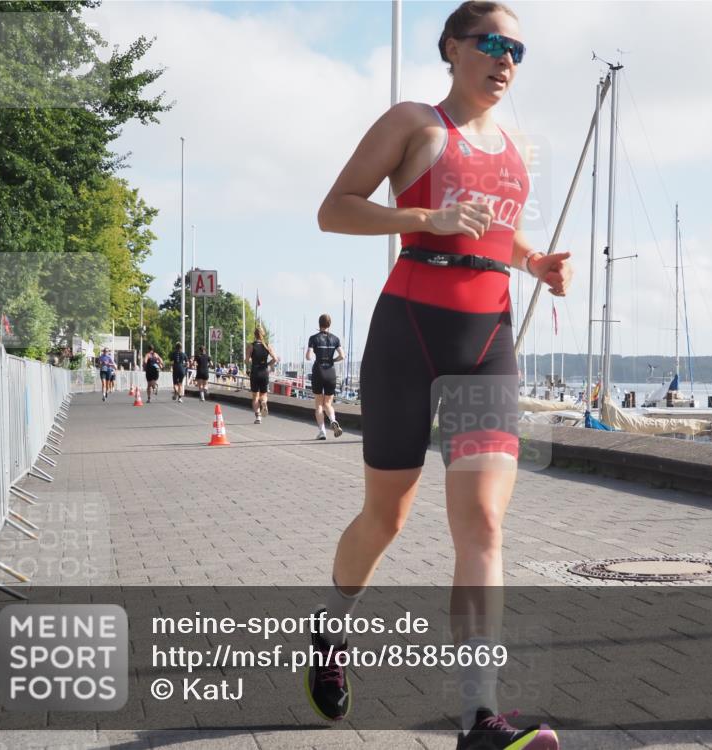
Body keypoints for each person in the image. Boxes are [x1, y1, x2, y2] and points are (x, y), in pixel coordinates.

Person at [313, 3, 570, 748]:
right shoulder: (414, 122)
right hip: (408, 334)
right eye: (491, 43)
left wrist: (534, 262)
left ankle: (478, 716)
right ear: (453, 46)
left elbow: (502, 229)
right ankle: (330, 632)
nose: (506, 60)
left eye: (518, 50)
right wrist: (424, 220)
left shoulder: (516, 148)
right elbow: (335, 210)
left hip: (486, 338)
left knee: (484, 525)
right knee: (386, 518)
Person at [306, 314, 345, 440]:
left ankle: (322, 431)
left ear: (319, 324)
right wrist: (332, 360)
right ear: (330, 324)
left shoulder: (313, 338)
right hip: (330, 372)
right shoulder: (335, 339)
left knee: (318, 404)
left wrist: (312, 354)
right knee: (328, 403)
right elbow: (342, 356)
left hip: (318, 371)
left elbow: (308, 356)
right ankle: (333, 420)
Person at [246, 326, 278, 424]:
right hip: (264, 372)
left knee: (255, 396)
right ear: (263, 334)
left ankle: (258, 417)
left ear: (254, 335)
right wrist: (268, 364)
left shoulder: (251, 346)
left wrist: (251, 361)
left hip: (255, 371)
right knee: (263, 394)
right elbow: (275, 359)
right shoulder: (267, 345)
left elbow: (246, 361)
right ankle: (264, 402)